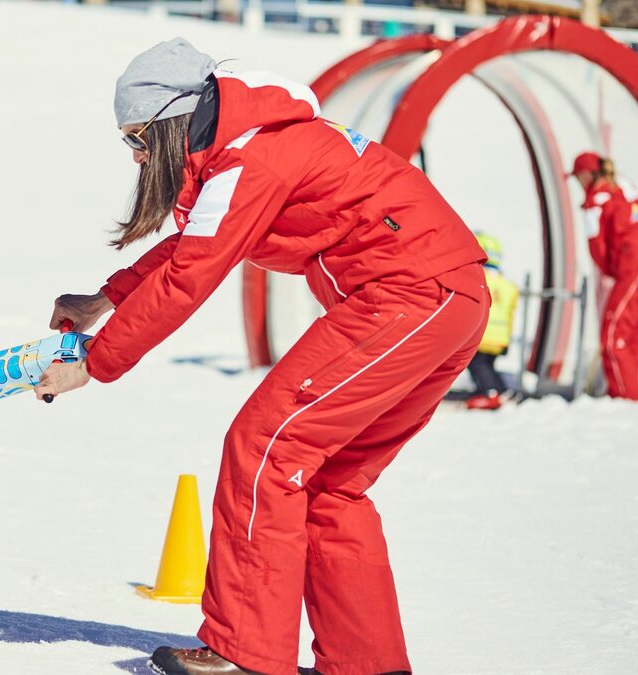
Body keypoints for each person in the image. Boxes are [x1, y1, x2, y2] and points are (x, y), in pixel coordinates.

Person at [34, 38, 489, 675]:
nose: (137, 157)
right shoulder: (249, 146)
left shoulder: (254, 156)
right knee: (329, 483)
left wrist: (96, 361)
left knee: (265, 447)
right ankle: (367, 664)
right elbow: (197, 247)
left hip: (406, 298)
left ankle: (244, 653)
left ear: (172, 123)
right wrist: (104, 301)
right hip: (440, 299)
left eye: (138, 138)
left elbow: (191, 274)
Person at [569, 151, 638, 400]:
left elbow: (597, 249)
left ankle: (625, 398)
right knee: (632, 336)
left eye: (578, 177)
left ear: (586, 175)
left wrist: (614, 270)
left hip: (632, 269)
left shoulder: (595, 202)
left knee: (613, 335)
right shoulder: (624, 187)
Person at [464, 233, 520, 410]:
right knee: (487, 364)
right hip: (500, 336)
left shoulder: (478, 278)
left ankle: (490, 392)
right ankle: (500, 390)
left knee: (477, 364)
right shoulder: (508, 286)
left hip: (483, 333)